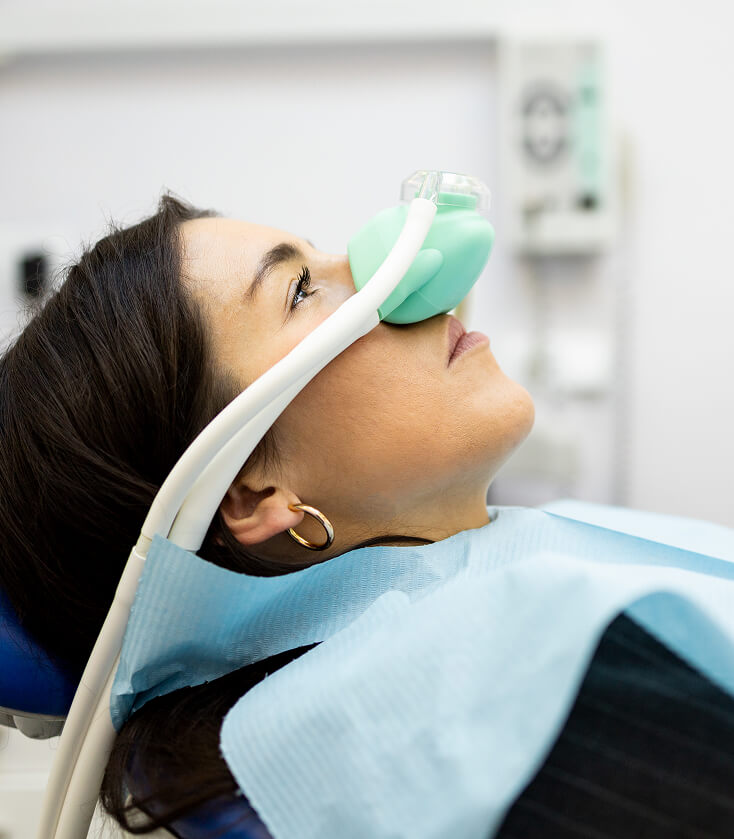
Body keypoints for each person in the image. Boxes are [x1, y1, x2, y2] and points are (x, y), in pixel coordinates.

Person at [1, 194, 733, 839]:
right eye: (302, 289)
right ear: (255, 493)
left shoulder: (495, 596)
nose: (401, 275)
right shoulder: (478, 716)